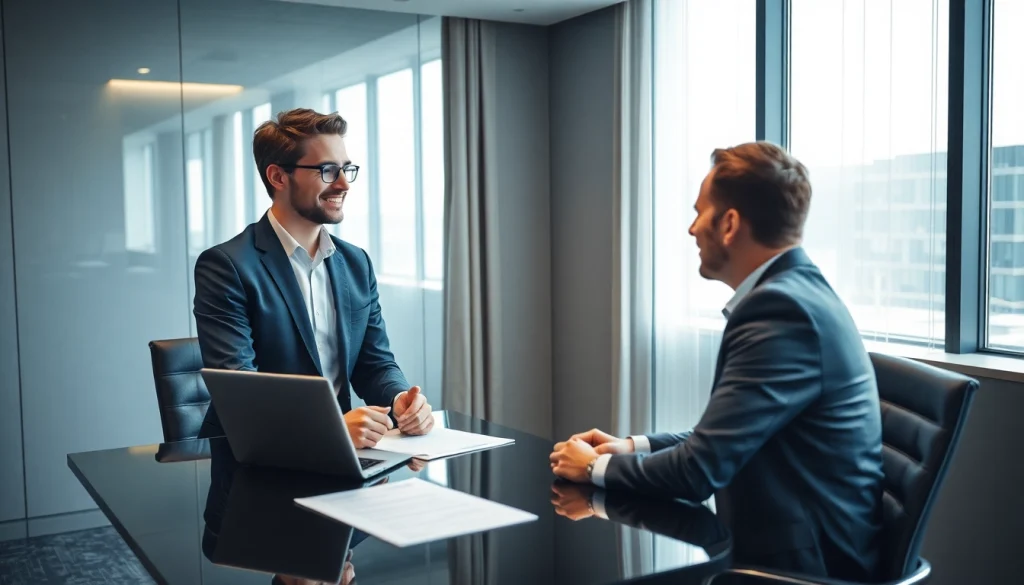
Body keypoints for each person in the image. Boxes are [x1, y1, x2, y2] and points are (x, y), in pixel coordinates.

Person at [549, 142, 884, 581]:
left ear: (729, 224)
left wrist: (594, 468)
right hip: (787, 545)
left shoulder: (782, 313)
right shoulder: (795, 295)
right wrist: (632, 447)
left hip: (802, 569)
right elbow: (723, 439)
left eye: (699, 212)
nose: (691, 229)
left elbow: (699, 471)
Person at [193, 108, 434, 444]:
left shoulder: (356, 263)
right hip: (254, 458)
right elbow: (241, 393)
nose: (343, 183)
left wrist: (401, 400)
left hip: (347, 454)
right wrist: (331, 429)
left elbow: (375, 363)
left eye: (347, 169)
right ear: (278, 177)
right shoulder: (226, 265)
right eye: (327, 170)